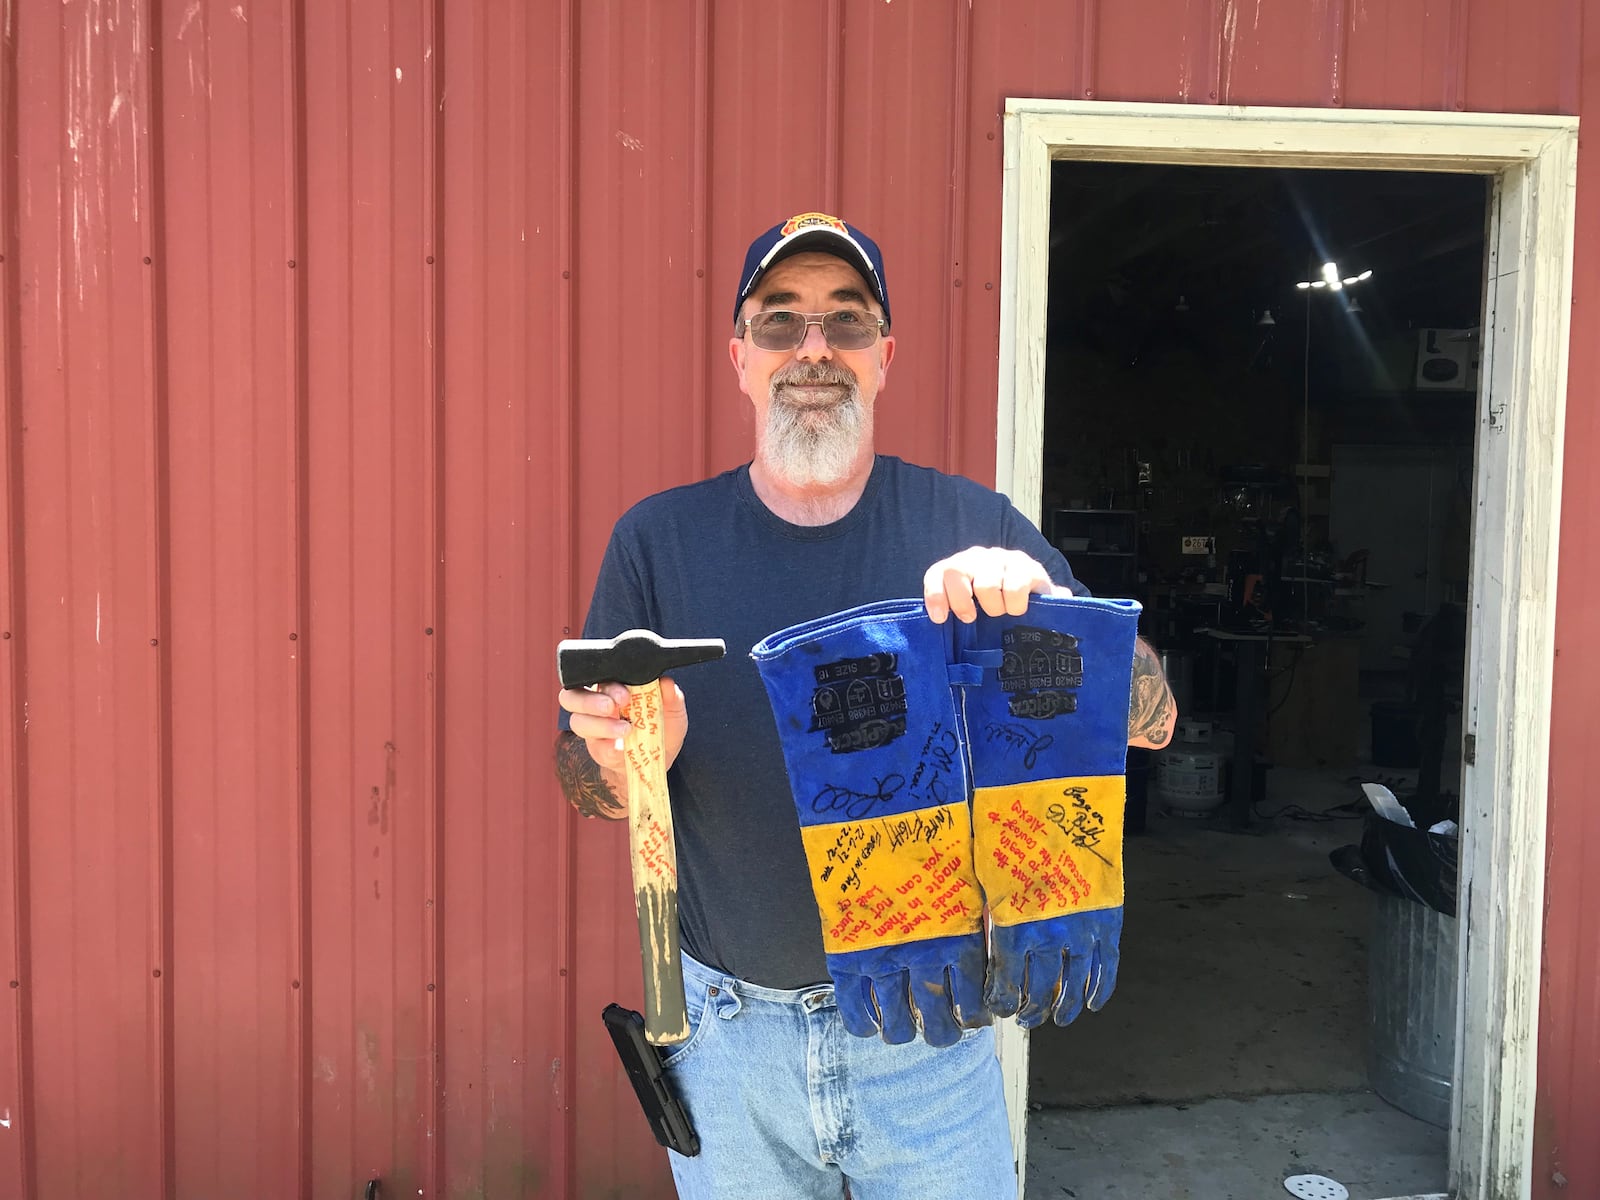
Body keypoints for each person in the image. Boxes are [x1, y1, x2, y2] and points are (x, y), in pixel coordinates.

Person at [555, 212, 1175, 1199]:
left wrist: (1056, 626)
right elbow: (586, 789)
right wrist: (633, 757)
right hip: (726, 1041)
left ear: (883, 359)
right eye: (780, 322)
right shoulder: (659, 542)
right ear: (740, 359)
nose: (813, 349)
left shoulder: (971, 525)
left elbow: (1153, 720)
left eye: (844, 323)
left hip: (928, 1033)